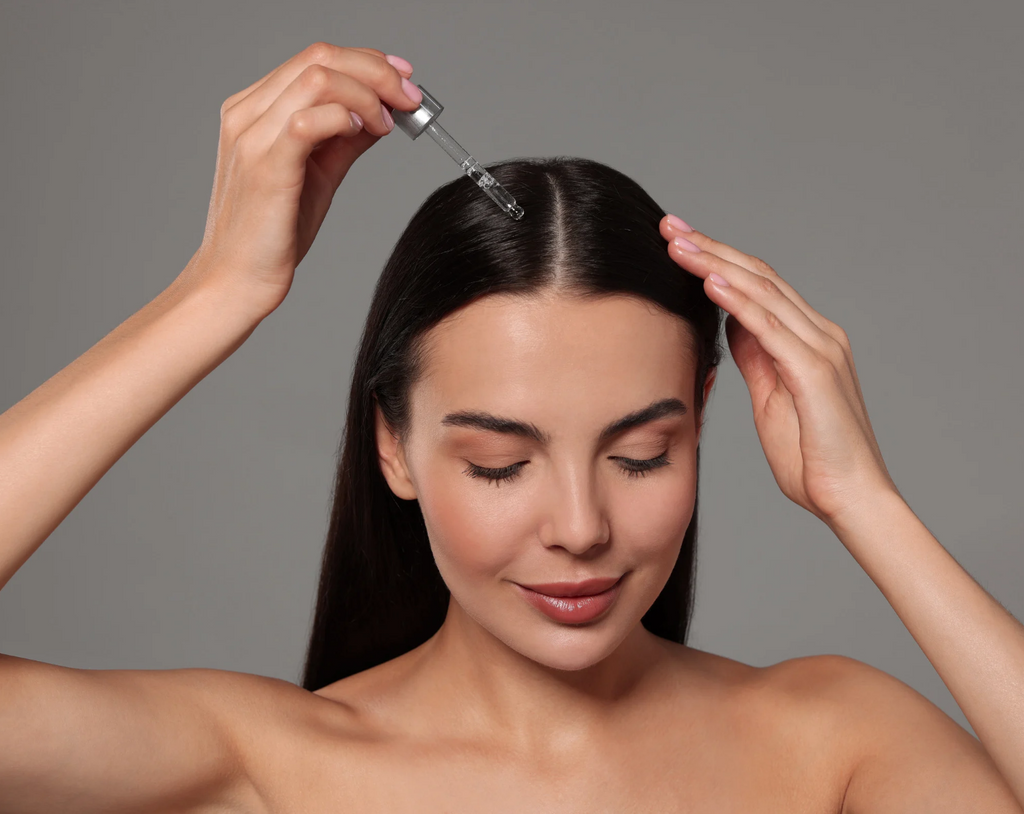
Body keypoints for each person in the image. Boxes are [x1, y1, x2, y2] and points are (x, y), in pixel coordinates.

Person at [0, 42, 1021, 813]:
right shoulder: (272, 763)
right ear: (393, 446)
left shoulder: (830, 744)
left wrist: (866, 504)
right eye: (498, 464)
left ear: (704, 422)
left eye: (639, 453)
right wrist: (215, 294)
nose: (579, 526)